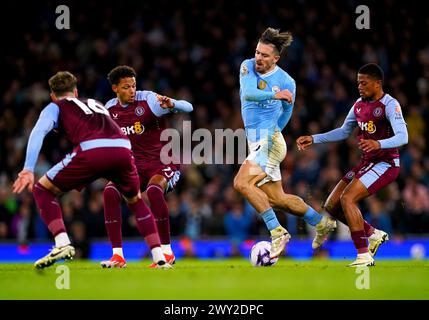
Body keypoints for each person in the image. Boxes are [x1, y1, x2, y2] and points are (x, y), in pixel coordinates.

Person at [12, 71, 172, 269]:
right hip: (123, 148)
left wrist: (28, 168)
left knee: (42, 190)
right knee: (136, 201)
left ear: (53, 95)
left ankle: (62, 244)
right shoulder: (96, 103)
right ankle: (160, 257)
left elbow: (38, 132)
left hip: (93, 150)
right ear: (76, 91)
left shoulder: (55, 106)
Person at [233, 28, 336, 259]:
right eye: (258, 52)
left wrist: (274, 131)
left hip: (269, 141)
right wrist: (274, 95)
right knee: (278, 199)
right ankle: (320, 223)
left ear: (276, 58)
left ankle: (277, 231)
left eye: (265, 55)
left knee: (241, 183)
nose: (259, 58)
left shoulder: (287, 81)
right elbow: (248, 93)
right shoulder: (247, 66)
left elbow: (288, 111)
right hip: (257, 142)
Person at [296, 63, 408, 266]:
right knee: (331, 205)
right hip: (367, 163)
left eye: (364, 83)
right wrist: (314, 138)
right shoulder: (358, 105)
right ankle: (372, 234)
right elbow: (343, 131)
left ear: (377, 84)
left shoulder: (390, 104)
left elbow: (403, 136)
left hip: (386, 163)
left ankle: (364, 255)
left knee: (348, 198)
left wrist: (378, 143)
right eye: (358, 83)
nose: (360, 86)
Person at [100, 66, 193, 268]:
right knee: (109, 192)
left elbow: (188, 107)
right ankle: (117, 256)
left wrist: (172, 103)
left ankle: (167, 252)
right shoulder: (109, 110)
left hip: (164, 162)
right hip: (134, 167)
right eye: (126, 87)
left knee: (153, 190)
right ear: (115, 88)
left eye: (134, 85)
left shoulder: (149, 100)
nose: (132, 90)